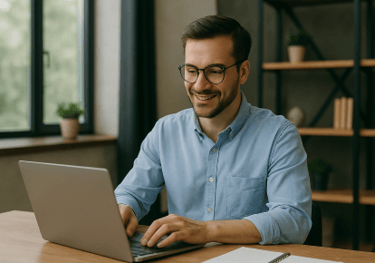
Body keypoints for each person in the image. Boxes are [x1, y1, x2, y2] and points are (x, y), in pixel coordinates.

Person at [115, 15, 312, 248]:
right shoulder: (165, 131)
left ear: (243, 72)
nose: (199, 85)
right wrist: (124, 207)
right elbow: (132, 193)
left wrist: (207, 231)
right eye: (191, 70)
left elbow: (294, 220)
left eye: (215, 71)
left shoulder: (279, 135)